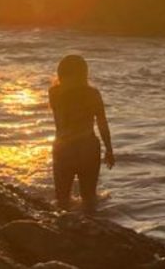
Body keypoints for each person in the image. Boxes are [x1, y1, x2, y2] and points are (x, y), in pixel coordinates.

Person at [48, 54, 115, 213]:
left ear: (60, 73)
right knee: (89, 199)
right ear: (84, 73)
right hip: (88, 148)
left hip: (64, 149)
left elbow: (61, 119)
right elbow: (102, 123)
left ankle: (64, 231)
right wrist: (109, 150)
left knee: (62, 200)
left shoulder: (54, 93)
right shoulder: (93, 94)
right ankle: (91, 232)